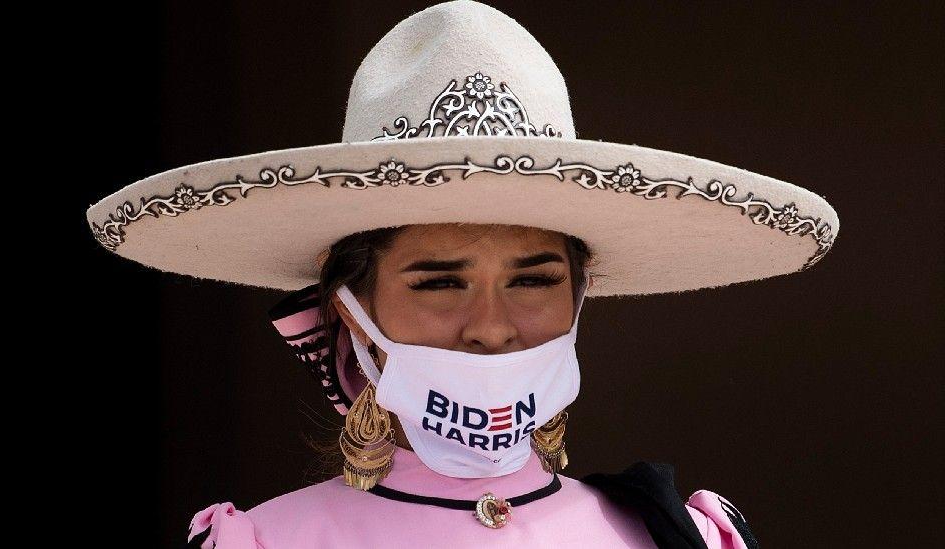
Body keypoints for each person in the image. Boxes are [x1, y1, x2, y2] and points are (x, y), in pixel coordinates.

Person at [84, 1, 838, 547]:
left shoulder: (681, 537)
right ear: (349, 307)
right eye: (439, 281)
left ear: (583, 295)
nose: (490, 326)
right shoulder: (262, 542)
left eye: (534, 279)